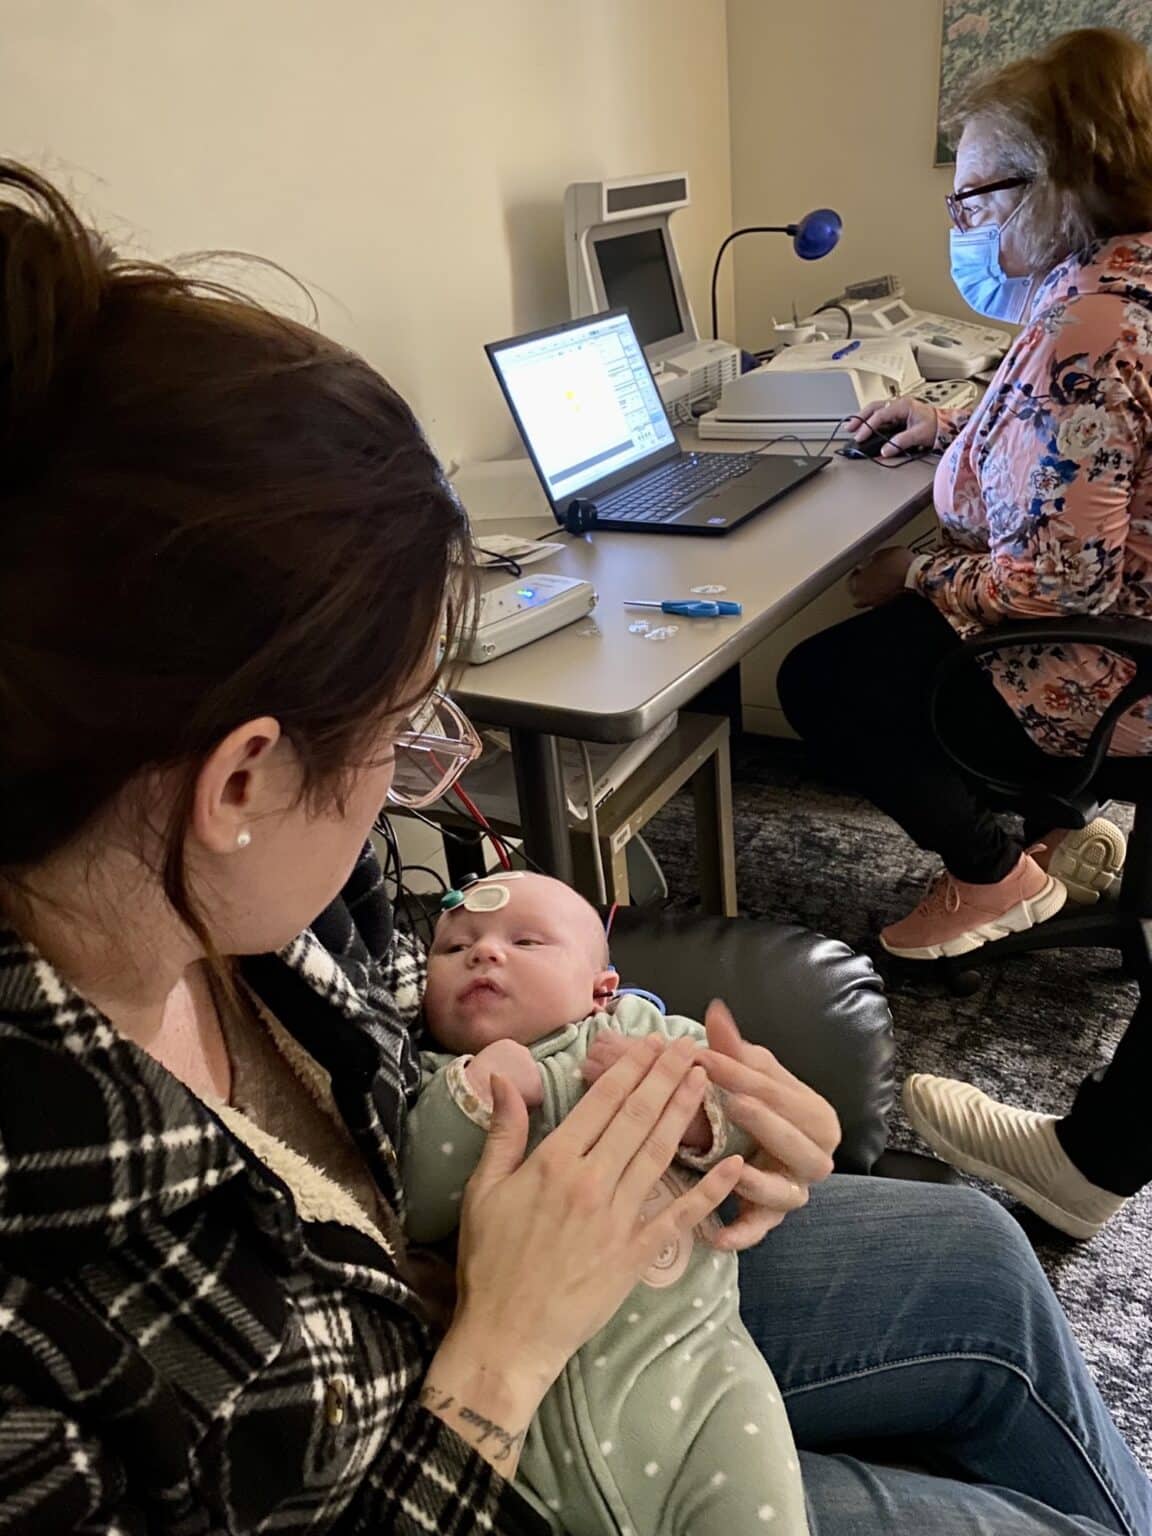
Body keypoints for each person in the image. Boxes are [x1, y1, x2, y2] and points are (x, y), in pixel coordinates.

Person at [0, 159, 1148, 1536]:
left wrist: (688, 1124)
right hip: (473, 1448)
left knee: (973, 1258)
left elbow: (431, 1073)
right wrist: (505, 1350)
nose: (427, 780)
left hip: (531, 1287)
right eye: (401, 737)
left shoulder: (267, 907)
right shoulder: (43, 1324)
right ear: (238, 778)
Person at [778, 24, 1152, 967]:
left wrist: (917, 574)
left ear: (1055, 187)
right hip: (1134, 633)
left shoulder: (1091, 324)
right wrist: (956, 432)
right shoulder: (1120, 279)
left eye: (974, 197)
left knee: (825, 679)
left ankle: (998, 877)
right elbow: (1086, 450)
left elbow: (1061, 582)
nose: (963, 224)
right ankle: (1056, 831)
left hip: (1110, 664)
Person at [407, 870, 809, 1536]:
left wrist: (698, 1120)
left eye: (527, 941)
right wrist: (477, 1091)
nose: (482, 953)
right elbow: (420, 1205)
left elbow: (753, 1130)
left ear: (602, 989)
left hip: (700, 1374)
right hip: (530, 1438)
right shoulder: (435, 1081)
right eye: (453, 949)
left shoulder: (649, 1034)